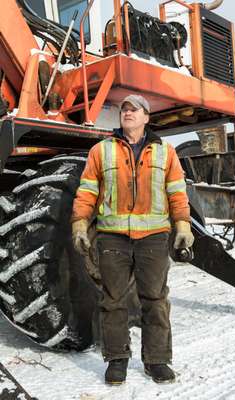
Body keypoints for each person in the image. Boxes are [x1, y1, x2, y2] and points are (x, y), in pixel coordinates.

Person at [71, 94, 194, 385]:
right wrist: (79, 224)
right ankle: (116, 360)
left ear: (146, 118)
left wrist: (183, 226)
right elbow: (87, 191)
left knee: (155, 299)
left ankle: (157, 360)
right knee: (113, 300)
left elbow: (177, 192)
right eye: (124, 109)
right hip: (113, 237)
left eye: (134, 109)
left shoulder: (166, 152)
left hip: (153, 237)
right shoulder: (101, 151)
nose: (127, 112)